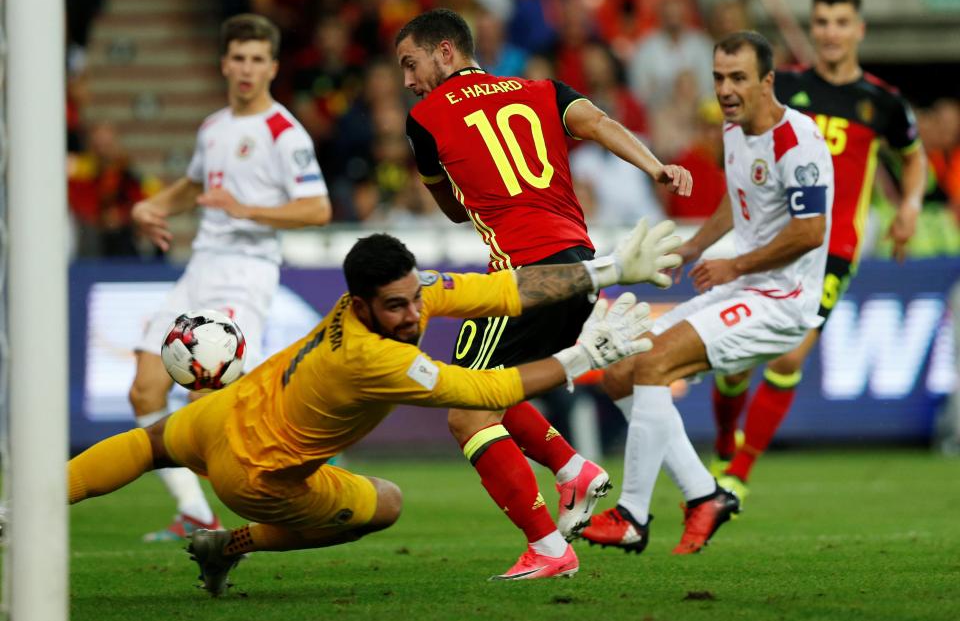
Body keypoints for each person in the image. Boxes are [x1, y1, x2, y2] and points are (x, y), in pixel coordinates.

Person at [68, 226, 682, 594]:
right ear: (360, 305)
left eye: (416, 299)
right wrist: (584, 355)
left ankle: (28, 505)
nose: (413, 317)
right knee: (384, 504)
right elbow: (483, 393)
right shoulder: (371, 359)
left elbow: (504, 289)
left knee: (148, 443)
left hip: (228, 408)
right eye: (396, 308)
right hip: (253, 476)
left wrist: (607, 269)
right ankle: (229, 544)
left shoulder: (396, 297)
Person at [395, 8, 693, 578]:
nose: (409, 81)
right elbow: (600, 122)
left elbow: (455, 211)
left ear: (446, 53)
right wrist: (655, 167)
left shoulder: (425, 118)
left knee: (463, 412)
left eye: (412, 65)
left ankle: (550, 548)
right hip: (579, 267)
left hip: (523, 277)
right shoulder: (542, 89)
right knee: (493, 389)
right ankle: (571, 470)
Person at [581, 30, 834, 554]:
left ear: (767, 81)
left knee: (651, 364)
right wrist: (695, 245)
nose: (725, 89)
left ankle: (632, 513)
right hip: (744, 283)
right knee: (619, 372)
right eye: (719, 77)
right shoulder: (735, 130)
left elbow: (810, 232)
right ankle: (704, 494)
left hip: (782, 301)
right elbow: (740, 198)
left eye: (738, 78)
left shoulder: (798, 141)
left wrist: (735, 262)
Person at [708, 0, 927, 499]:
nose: (831, 33)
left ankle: (735, 476)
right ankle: (724, 437)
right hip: (767, 241)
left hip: (832, 249)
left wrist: (910, 206)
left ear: (859, 30)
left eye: (841, 22)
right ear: (813, 28)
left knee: (787, 358)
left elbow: (912, 157)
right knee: (734, 362)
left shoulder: (882, 103)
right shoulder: (780, 87)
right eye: (822, 22)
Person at [127, 13, 332, 541]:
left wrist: (245, 210)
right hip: (200, 267)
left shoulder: (284, 133)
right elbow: (193, 184)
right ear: (224, 63)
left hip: (247, 272)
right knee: (144, 390)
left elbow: (317, 209)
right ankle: (196, 513)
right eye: (238, 58)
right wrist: (153, 205)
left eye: (257, 59)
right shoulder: (214, 127)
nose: (246, 69)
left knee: (206, 398)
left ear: (273, 67)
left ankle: (278, 492)